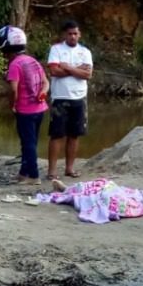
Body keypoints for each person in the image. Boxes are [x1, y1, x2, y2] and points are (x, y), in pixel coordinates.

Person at [0, 25, 50, 183]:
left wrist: (12, 105)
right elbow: (46, 83)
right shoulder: (33, 61)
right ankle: (23, 173)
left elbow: (13, 90)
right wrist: (43, 93)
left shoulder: (14, 65)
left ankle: (33, 176)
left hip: (25, 110)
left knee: (27, 143)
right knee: (31, 141)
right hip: (40, 109)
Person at [46, 19, 93, 180]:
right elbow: (54, 71)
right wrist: (77, 70)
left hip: (79, 97)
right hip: (60, 97)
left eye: (75, 33)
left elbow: (88, 74)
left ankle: (69, 169)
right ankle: (52, 171)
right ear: (65, 35)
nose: (73, 36)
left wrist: (68, 67)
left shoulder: (85, 52)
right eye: (70, 34)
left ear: (79, 35)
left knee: (74, 134)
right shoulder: (56, 49)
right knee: (56, 134)